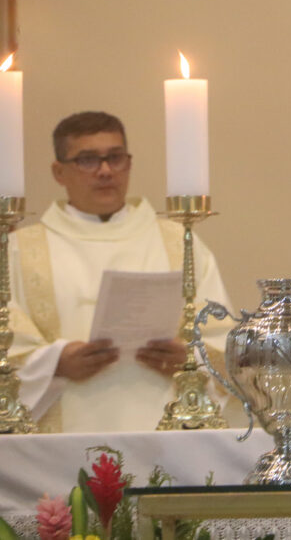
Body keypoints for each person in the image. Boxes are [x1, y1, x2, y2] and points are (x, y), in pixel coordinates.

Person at [7, 111, 233, 432]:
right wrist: (56, 362)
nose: (105, 171)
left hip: (163, 434)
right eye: (87, 160)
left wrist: (186, 361)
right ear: (59, 172)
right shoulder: (20, 250)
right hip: (60, 440)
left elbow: (221, 340)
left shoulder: (179, 244)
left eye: (115, 158)